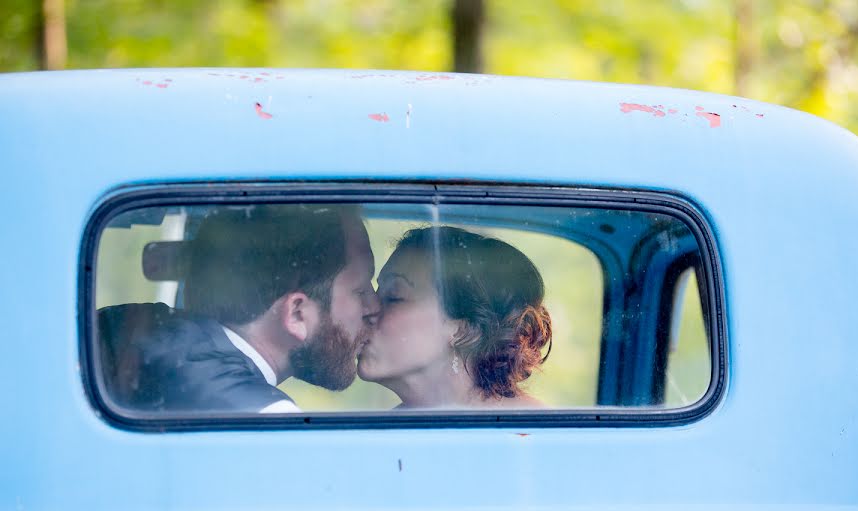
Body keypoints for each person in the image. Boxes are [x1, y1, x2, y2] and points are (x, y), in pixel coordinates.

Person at [99, 204, 379, 413]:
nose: (374, 308)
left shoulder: (126, 326)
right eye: (361, 290)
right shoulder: (265, 418)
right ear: (296, 313)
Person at [357, 226, 551, 409]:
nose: (367, 308)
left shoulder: (537, 435)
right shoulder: (379, 436)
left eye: (393, 296)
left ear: (464, 329)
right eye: (377, 291)